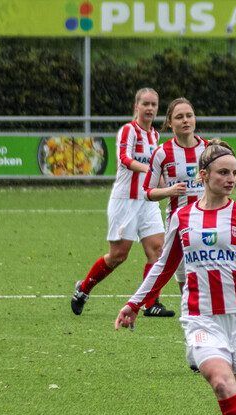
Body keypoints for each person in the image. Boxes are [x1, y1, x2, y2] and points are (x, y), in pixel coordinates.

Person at [115, 140, 236, 415]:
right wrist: (135, 303)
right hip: (201, 318)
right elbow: (163, 265)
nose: (230, 178)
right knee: (221, 382)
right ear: (203, 175)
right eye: (222, 172)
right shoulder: (184, 217)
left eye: (234, 173)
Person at [71, 88, 174, 317]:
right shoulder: (129, 131)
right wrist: (151, 169)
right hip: (125, 201)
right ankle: (83, 289)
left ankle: (151, 303)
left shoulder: (155, 136)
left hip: (147, 200)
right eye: (145, 104)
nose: (149, 108)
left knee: (157, 250)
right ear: (136, 106)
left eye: (154, 105)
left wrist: (169, 184)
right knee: (119, 255)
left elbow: (160, 168)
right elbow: (125, 159)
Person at [143, 97, 207, 296]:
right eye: (179, 117)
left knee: (207, 270)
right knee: (183, 274)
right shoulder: (162, 153)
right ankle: (189, 311)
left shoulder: (209, 149)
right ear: (170, 122)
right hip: (177, 223)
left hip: (207, 220)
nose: (185, 120)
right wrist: (169, 191)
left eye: (189, 116)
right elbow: (148, 192)